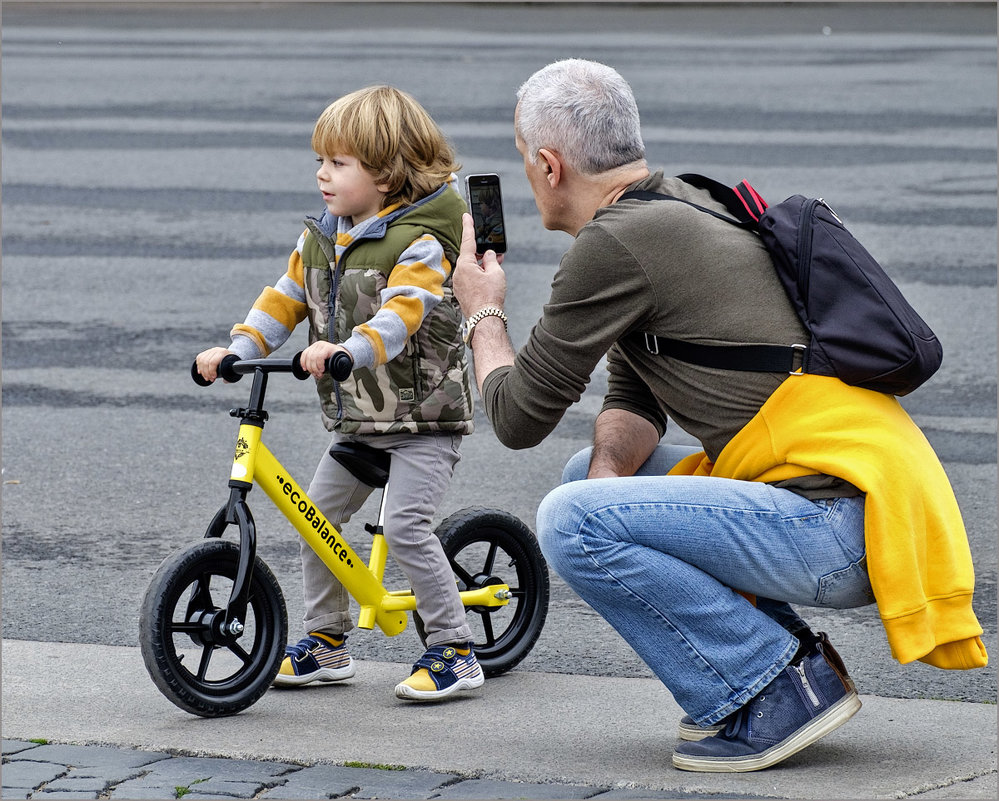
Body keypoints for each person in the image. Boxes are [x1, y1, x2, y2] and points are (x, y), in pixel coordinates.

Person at [452, 59, 988, 771]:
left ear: (548, 166)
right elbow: (635, 395)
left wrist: (480, 312)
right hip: (867, 503)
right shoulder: (679, 204)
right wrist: (608, 477)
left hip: (841, 528)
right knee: (588, 476)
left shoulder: (614, 243)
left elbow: (517, 416)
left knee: (566, 517)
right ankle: (794, 663)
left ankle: (769, 689)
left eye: (524, 161)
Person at [196, 85, 483, 702]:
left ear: (385, 175)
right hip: (359, 421)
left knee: (406, 528)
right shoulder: (321, 239)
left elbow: (405, 312)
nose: (322, 175)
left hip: (422, 420)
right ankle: (325, 642)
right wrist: (237, 350)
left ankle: (456, 649)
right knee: (317, 521)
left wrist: (348, 348)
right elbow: (281, 301)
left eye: (339, 163)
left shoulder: (423, 242)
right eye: (320, 161)